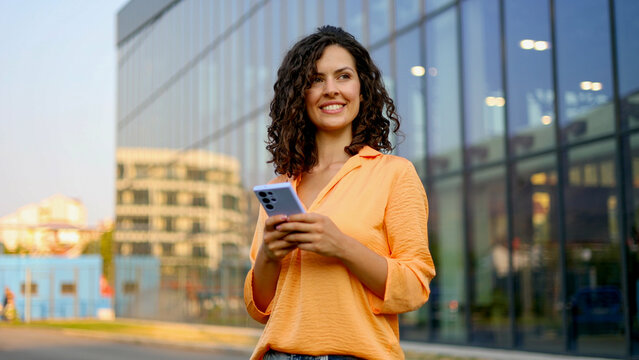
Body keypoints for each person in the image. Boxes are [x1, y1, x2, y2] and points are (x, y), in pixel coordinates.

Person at [244, 25, 435, 360]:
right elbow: (260, 307)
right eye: (316, 80)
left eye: (343, 76)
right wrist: (269, 256)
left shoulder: (394, 174)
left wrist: (342, 246)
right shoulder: (280, 187)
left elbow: (414, 288)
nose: (330, 89)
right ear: (299, 95)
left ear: (362, 90)